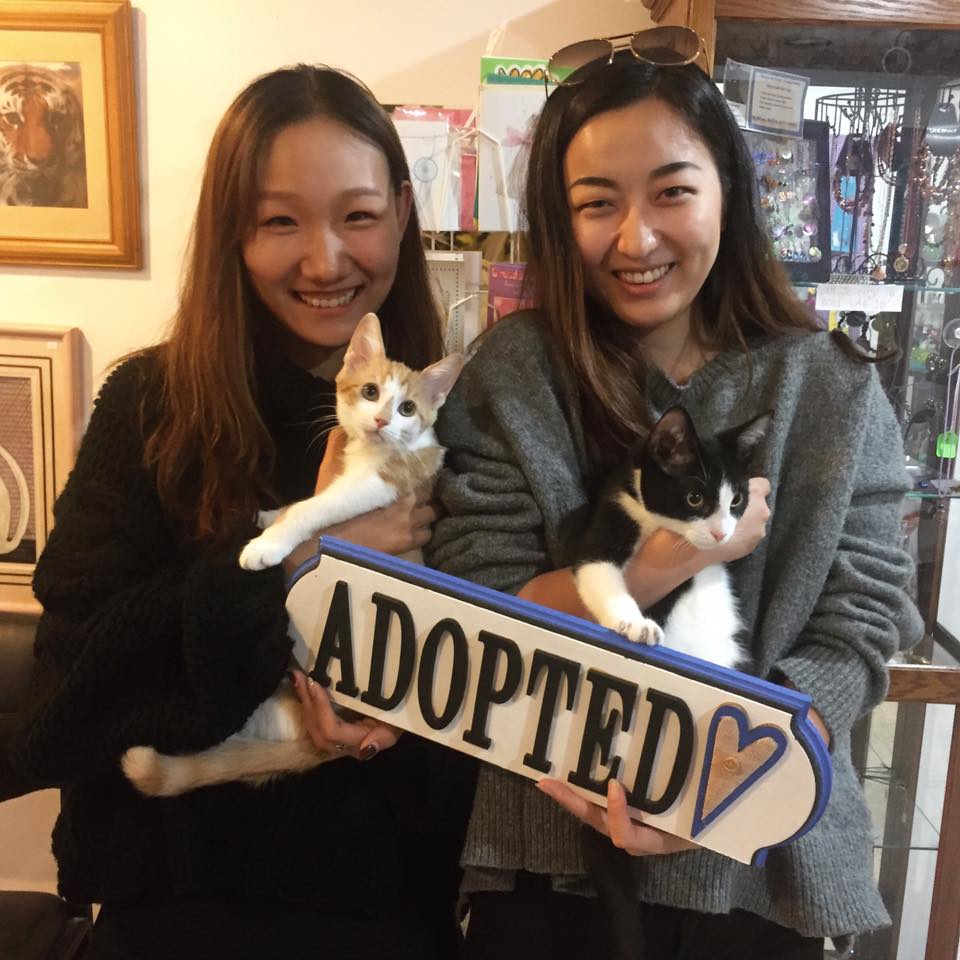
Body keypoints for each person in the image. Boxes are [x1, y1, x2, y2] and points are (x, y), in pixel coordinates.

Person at [427, 47, 922, 958]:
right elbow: (471, 600)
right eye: (595, 203)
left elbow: (864, 617)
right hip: (548, 853)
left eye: (671, 192)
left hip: (765, 869)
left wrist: (726, 777)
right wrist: (662, 566)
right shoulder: (514, 375)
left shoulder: (832, 388)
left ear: (729, 192)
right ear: (556, 215)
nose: (636, 240)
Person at [13, 64, 475, 960]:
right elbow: (61, 708)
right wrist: (285, 555)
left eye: (358, 216)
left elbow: (481, 704)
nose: (324, 260)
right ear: (233, 229)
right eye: (279, 220)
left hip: (390, 906)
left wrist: (387, 719)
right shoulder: (150, 405)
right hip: (177, 902)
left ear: (405, 214)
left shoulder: (456, 420)